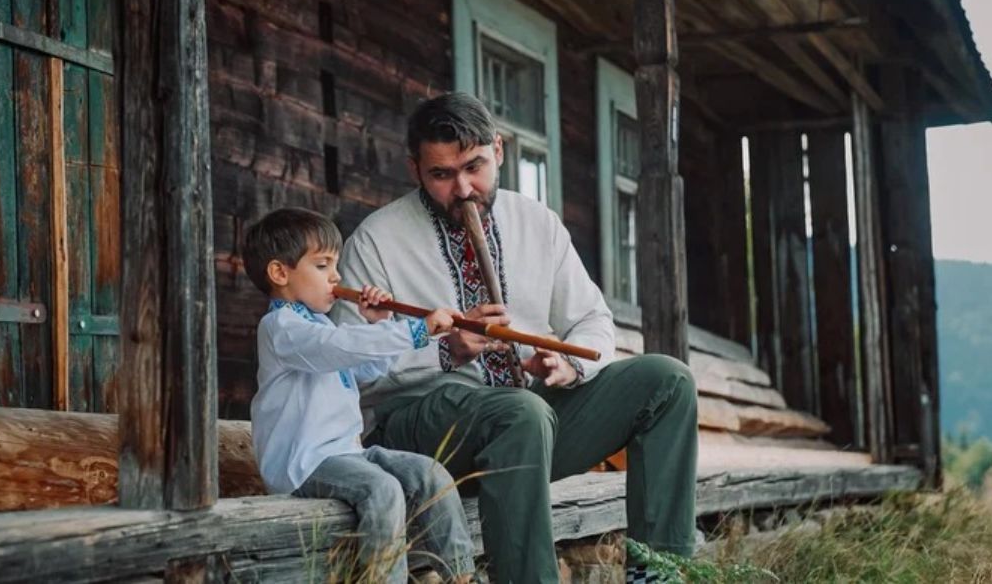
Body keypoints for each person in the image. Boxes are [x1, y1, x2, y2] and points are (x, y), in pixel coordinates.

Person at [334, 92, 699, 583]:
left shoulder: (537, 223)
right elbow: (344, 370)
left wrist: (570, 368)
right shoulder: (376, 241)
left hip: (529, 427)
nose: (463, 188)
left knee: (667, 381)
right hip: (421, 438)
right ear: (415, 169)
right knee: (519, 412)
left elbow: (593, 321)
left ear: (498, 150)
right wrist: (446, 351)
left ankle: (660, 575)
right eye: (441, 174)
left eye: (474, 166)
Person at [242, 207, 476, 583]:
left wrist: (379, 321)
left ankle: (461, 576)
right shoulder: (281, 328)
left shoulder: (318, 325)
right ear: (279, 273)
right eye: (322, 266)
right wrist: (417, 330)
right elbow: (337, 346)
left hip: (348, 454)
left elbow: (366, 370)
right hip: (304, 464)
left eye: (335, 266)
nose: (336, 277)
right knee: (381, 488)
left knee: (429, 473)